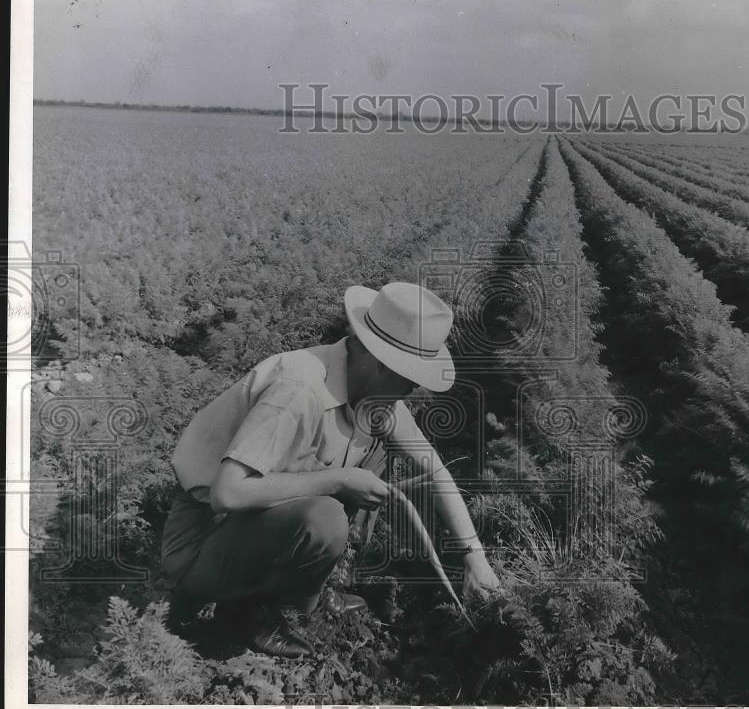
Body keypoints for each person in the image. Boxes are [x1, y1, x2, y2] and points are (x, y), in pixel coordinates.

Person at [160, 282, 500, 658]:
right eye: (410, 378)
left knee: (374, 458)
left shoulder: (369, 390)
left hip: (257, 525)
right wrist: (338, 479)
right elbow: (228, 493)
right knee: (326, 516)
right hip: (204, 539)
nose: (412, 391)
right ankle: (243, 610)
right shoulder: (299, 390)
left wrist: (475, 558)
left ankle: (306, 588)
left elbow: (433, 470)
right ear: (380, 362)